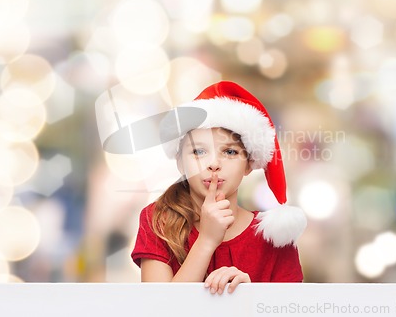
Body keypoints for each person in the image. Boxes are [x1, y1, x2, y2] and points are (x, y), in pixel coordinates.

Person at [131, 81, 307, 294]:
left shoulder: (274, 237)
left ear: (249, 164)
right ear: (180, 162)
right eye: (198, 152)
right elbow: (157, 310)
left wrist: (249, 297)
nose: (213, 164)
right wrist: (206, 241)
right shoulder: (158, 221)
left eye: (230, 152)